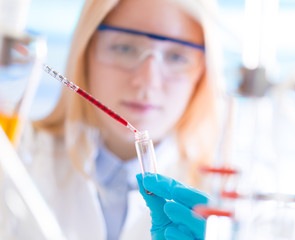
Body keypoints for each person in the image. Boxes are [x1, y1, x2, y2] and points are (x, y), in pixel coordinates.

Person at [3, 0, 224, 239]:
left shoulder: (232, 198)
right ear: (86, 50)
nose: (147, 81)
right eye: (125, 48)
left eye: (176, 57)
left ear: (204, 71)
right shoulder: (13, 155)